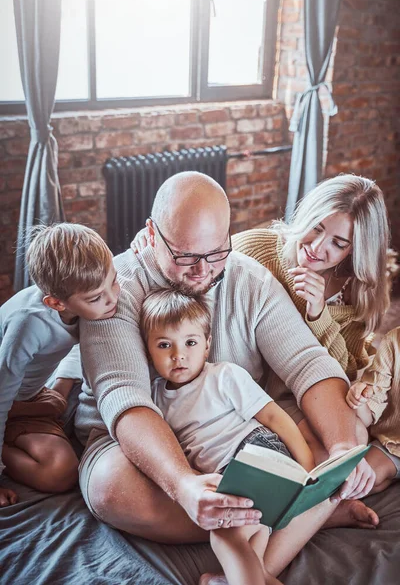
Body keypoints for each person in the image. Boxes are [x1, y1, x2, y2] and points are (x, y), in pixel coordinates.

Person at [75, 170, 377, 573]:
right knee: (109, 489)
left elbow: (307, 362)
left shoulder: (247, 275)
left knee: (349, 431)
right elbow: (125, 400)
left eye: (216, 253)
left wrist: (340, 449)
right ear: (150, 233)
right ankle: (303, 512)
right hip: (141, 450)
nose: (203, 271)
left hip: (235, 435)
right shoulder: (115, 289)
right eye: (186, 257)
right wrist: (183, 485)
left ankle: (292, 512)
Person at [140, 287, 318, 585]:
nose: (178, 354)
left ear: (207, 345)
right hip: (222, 474)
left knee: (224, 536)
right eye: (163, 345)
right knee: (252, 536)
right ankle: (233, 579)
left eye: (190, 342)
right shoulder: (154, 398)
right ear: (147, 350)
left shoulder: (223, 375)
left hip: (255, 453)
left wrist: (308, 466)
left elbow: (274, 417)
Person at [232, 174, 392, 459]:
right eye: (315, 228)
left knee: (355, 437)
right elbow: (204, 262)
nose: (317, 247)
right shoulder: (258, 247)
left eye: (338, 243)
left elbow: (345, 371)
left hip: (297, 395)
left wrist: (319, 313)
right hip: (245, 383)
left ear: (356, 249)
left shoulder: (359, 291)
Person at [0, 223, 120, 507]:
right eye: (95, 297)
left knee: (70, 413)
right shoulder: (28, 324)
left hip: (31, 395)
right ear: (56, 303)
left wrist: (60, 389)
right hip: (7, 397)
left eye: (113, 281)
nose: (112, 298)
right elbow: (1, 394)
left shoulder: (89, 305)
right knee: (62, 473)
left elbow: (81, 341)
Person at [346, 327, 400, 495]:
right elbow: (370, 410)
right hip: (394, 444)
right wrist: (360, 397)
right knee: (359, 480)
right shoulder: (394, 341)